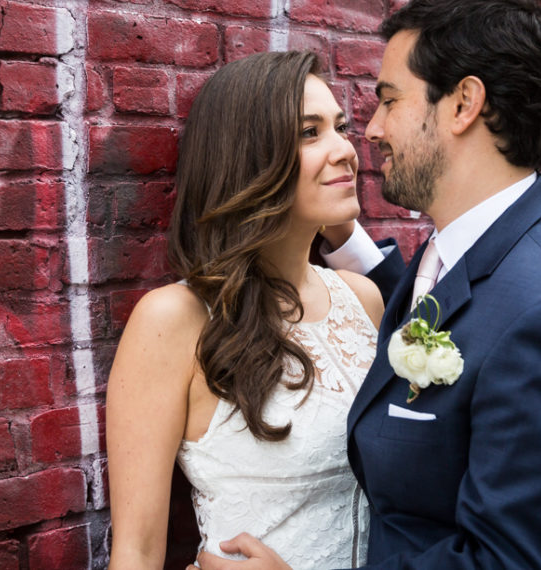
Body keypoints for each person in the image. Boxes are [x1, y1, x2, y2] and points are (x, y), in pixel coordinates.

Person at [196, 0, 541, 569]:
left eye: (389, 100)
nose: (371, 130)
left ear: (463, 104)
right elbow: (465, 323)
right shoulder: (460, 257)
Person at [106, 51, 387, 569]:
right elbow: (136, 554)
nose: (346, 150)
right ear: (251, 158)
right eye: (310, 133)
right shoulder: (174, 320)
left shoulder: (363, 298)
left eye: (341, 127)